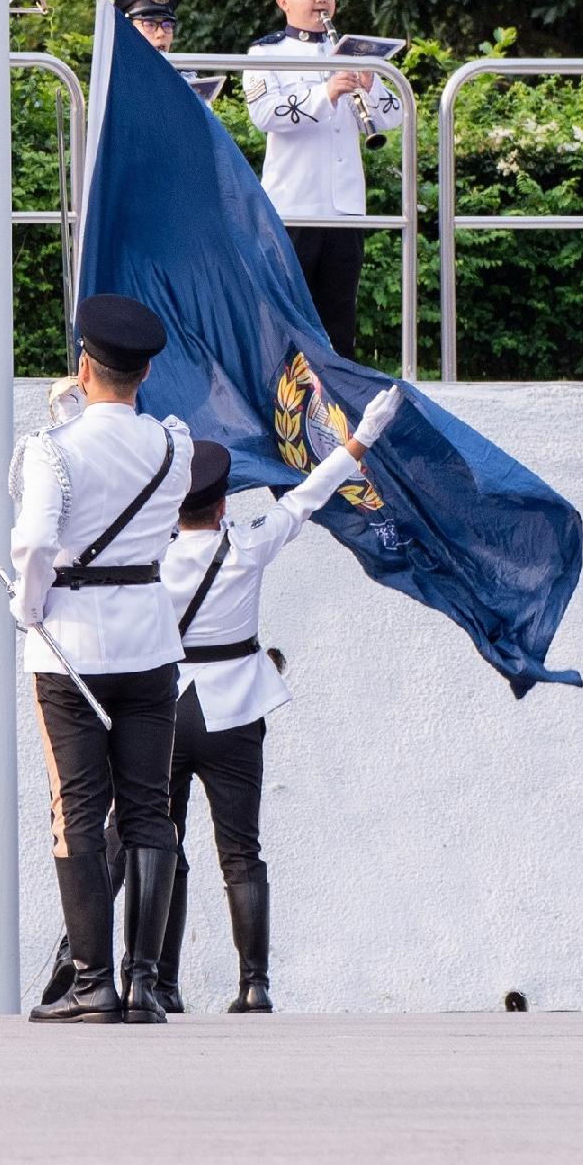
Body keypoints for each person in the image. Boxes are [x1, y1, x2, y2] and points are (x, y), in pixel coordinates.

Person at [151, 401, 393, 1015]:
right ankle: (253, 984)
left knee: (162, 846)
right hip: (234, 711)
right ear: (224, 503)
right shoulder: (248, 544)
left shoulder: (150, 556)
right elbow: (310, 494)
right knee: (241, 851)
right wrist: (360, 439)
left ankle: (162, 983)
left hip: (168, 711)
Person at [11, 294, 191, 1023]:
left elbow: (32, 545)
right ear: (144, 371)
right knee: (149, 805)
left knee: (78, 812)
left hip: (73, 644)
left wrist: (28, 609)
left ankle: (92, 982)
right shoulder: (175, 445)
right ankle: (145, 980)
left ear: (84, 365)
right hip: (150, 640)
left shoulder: (53, 448)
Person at [243, 0, 404, 361]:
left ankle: (340, 416)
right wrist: (326, 92)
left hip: (345, 206)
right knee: (287, 321)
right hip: (293, 205)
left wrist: (371, 84)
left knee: (340, 322)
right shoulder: (266, 54)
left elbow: (394, 115)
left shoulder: (354, 52)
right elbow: (264, 114)